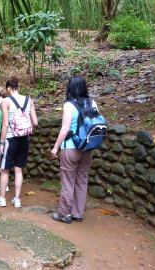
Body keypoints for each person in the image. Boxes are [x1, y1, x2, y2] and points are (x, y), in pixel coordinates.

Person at [50, 76, 97, 223]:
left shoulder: (69, 105)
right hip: (87, 148)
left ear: (70, 88)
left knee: (68, 182)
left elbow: (65, 129)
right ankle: (78, 213)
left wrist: (55, 147)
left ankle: (64, 214)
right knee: (82, 181)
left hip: (71, 148)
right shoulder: (92, 103)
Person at [0, 77, 38, 208]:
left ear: (8, 88)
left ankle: (2, 199)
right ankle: (17, 200)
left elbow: (5, 124)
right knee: (18, 169)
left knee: (5, 170)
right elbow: (35, 122)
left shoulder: (6, 101)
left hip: (10, 139)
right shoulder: (28, 100)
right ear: (18, 87)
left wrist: (1, 143)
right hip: (24, 138)